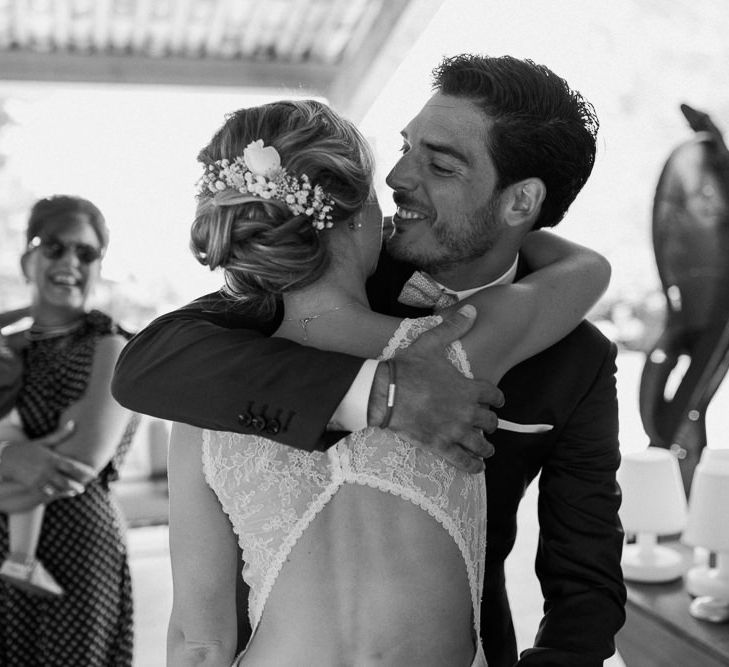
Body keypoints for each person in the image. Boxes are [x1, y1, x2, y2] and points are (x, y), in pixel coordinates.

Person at [114, 54, 626, 666]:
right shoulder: (467, 338)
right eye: (405, 148)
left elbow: (586, 582)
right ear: (356, 220)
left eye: (438, 163)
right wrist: (377, 391)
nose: (399, 179)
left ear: (522, 202)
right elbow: (146, 362)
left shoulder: (578, 357)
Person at [0, 195, 137, 666]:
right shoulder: (4, 347)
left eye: (86, 253)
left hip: (77, 556)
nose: (69, 262)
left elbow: (73, 465)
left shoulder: (111, 347)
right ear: (27, 259)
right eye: (54, 247)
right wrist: (9, 457)